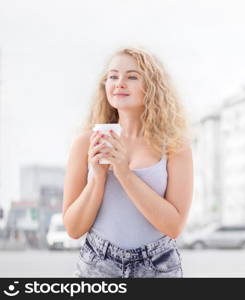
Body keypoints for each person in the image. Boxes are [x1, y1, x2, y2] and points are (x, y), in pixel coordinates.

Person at [62, 47, 193, 278]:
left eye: (132, 76)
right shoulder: (85, 143)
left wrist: (124, 172)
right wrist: (98, 177)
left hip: (158, 266)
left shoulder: (174, 146)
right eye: (113, 76)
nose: (119, 83)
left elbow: (174, 226)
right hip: (97, 264)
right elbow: (73, 229)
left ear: (153, 87)